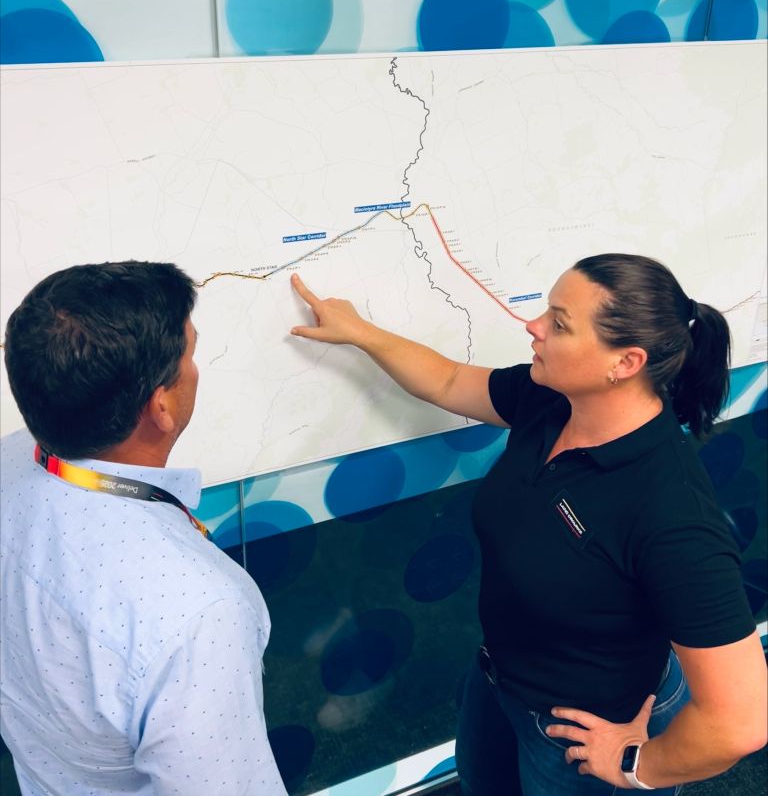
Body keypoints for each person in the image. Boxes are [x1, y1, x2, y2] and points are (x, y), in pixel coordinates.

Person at [289, 254, 767, 795]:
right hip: (499, 684)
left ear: (626, 362)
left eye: (559, 323)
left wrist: (637, 764)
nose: (533, 326)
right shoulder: (551, 399)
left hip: (582, 737)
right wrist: (360, 332)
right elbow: (447, 381)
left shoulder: (671, 510)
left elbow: (739, 722)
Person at [1, 261, 288, 796]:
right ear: (160, 405)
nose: (197, 368)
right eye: (191, 354)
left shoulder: (14, 458)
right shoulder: (201, 612)